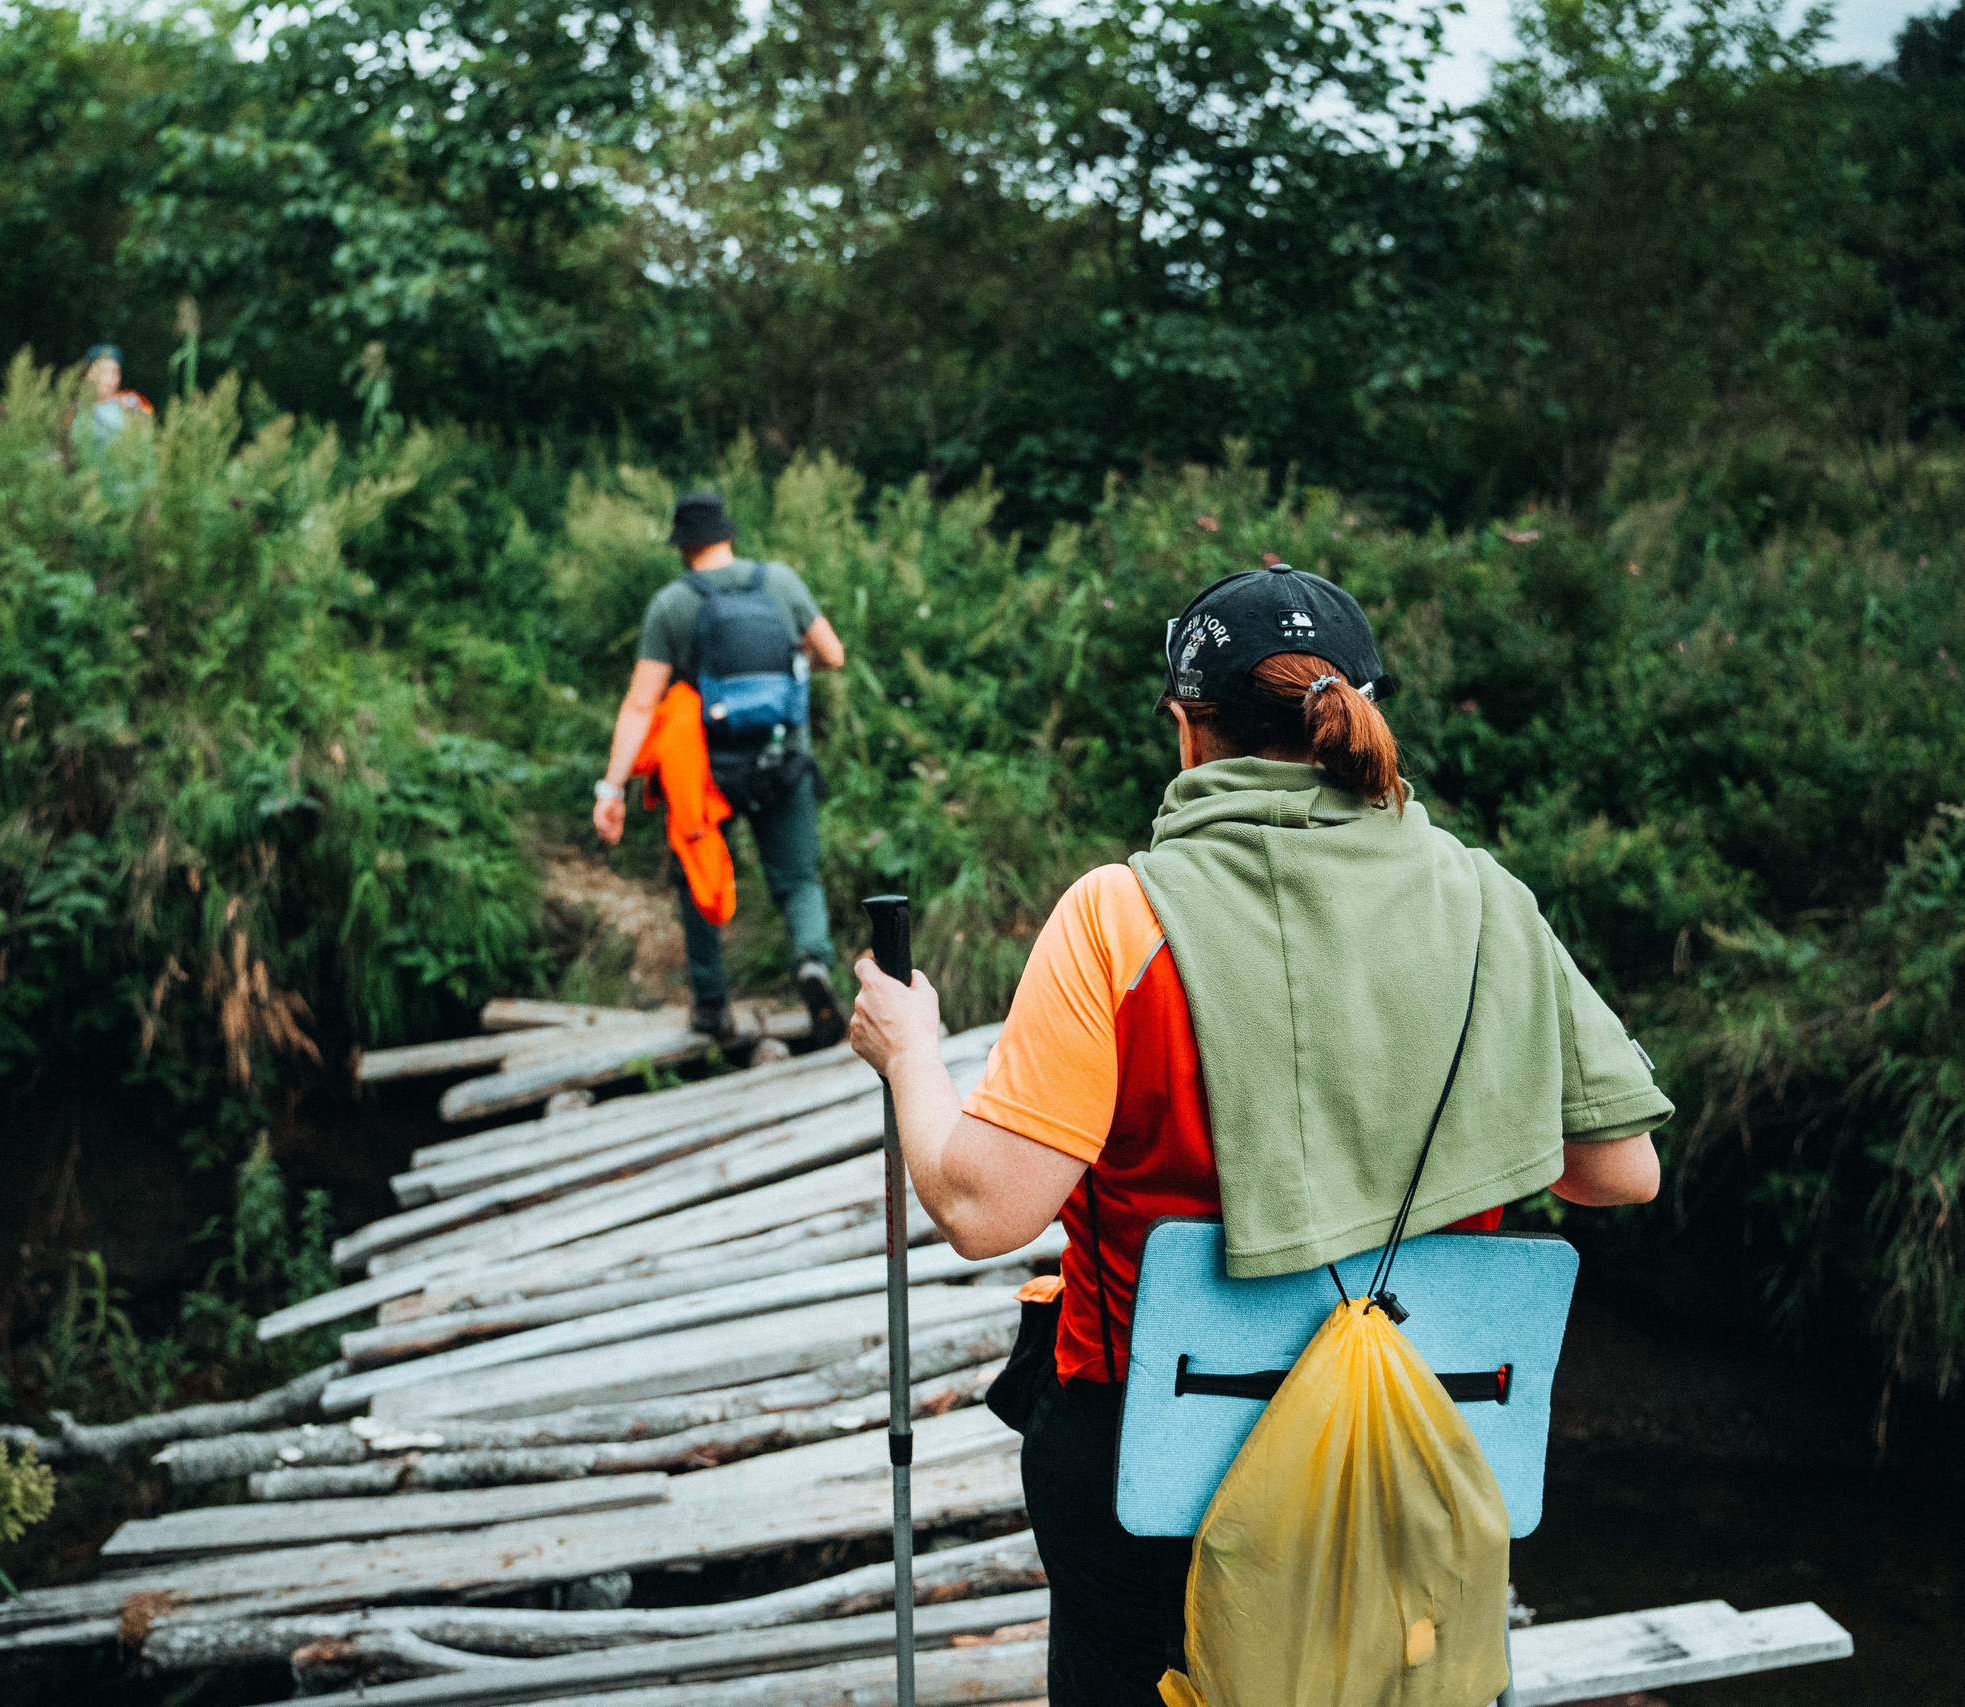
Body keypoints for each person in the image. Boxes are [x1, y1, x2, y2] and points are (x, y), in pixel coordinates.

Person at [847, 560, 1671, 1707]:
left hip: (1162, 1465)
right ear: (1365, 715)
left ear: (1188, 731)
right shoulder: (1491, 903)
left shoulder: (1118, 915)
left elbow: (983, 1209)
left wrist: (908, 1054)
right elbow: (1618, 1170)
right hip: (1410, 1459)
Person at [594, 492, 850, 1045]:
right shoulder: (780, 582)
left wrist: (611, 787)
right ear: (729, 536)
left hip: (712, 776)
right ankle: (811, 964)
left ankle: (713, 1006)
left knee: (698, 873)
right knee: (798, 879)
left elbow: (641, 704)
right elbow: (834, 654)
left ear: (684, 547)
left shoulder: (672, 606)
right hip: (784, 759)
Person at [71, 343, 154, 447]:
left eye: (115, 372)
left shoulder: (131, 402)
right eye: (103, 372)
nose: (109, 379)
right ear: (88, 374)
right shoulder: (74, 408)